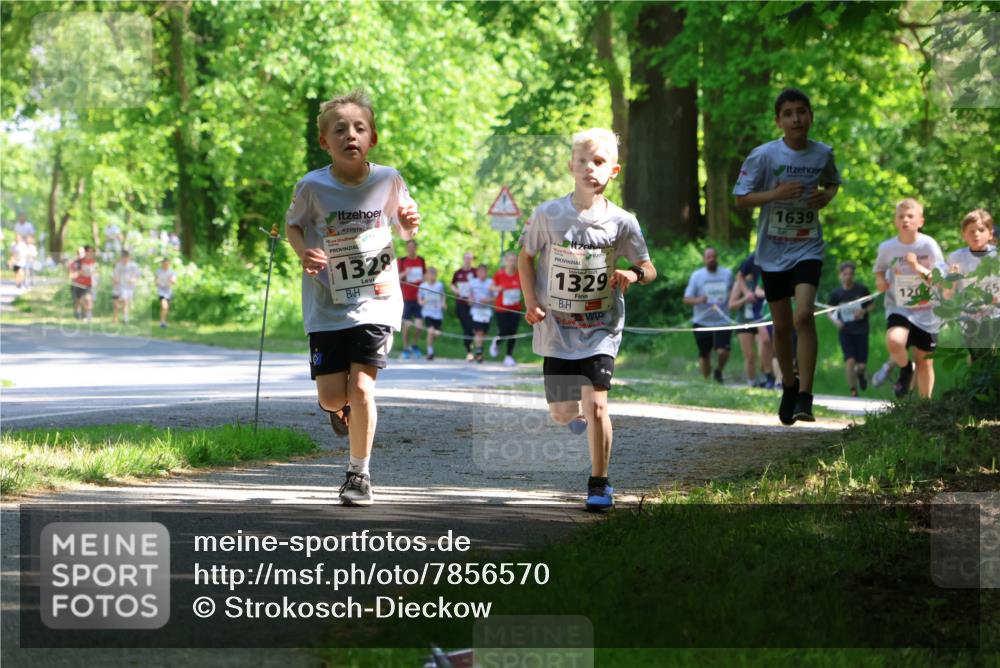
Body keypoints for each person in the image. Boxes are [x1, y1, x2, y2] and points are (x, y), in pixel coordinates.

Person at [285, 89, 420, 506]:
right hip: (327, 305)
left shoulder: (388, 179)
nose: (351, 135)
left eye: (359, 128)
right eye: (340, 129)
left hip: (376, 300)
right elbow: (293, 225)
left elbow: (406, 225)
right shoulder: (312, 186)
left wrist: (410, 223)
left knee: (362, 387)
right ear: (325, 141)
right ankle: (340, 411)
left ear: (372, 138)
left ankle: (358, 474)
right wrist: (303, 251)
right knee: (332, 396)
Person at [519, 128, 656, 511]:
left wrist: (633, 274)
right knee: (563, 412)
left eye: (598, 162)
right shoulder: (549, 214)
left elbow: (648, 267)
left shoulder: (623, 221)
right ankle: (572, 413)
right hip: (558, 330)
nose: (589, 168)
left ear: (613, 170)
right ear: (570, 166)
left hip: (600, 328)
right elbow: (525, 258)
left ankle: (599, 482)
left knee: (598, 405)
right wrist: (532, 302)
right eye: (583, 161)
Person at [733, 87, 841, 424]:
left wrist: (827, 196)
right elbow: (741, 197)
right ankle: (789, 385)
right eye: (789, 113)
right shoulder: (764, 156)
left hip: (808, 246)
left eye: (802, 111)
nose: (797, 118)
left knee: (804, 316)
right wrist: (775, 194)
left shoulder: (822, 154)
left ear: (810, 116)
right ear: (779, 120)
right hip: (772, 250)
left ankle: (806, 396)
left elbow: (833, 182)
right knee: (781, 325)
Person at [873, 198, 947, 399]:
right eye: (901, 217)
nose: (905, 220)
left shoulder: (929, 245)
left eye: (910, 216)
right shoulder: (887, 247)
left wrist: (917, 267)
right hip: (899, 306)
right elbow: (879, 270)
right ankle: (906, 369)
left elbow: (940, 279)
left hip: (927, 309)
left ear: (920, 221)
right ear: (895, 222)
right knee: (894, 341)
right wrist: (880, 281)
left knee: (924, 360)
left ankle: (925, 405)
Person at [945, 208, 997, 361]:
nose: (976, 234)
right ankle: (976, 382)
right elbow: (947, 296)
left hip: (996, 313)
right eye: (971, 231)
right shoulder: (956, 258)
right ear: (964, 235)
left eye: (981, 230)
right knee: (977, 356)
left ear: (990, 233)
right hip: (970, 317)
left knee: (992, 352)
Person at [683, 247, 733, 384]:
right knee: (705, 355)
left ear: (717, 258)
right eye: (708, 257)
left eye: (713, 257)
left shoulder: (727, 274)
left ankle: (718, 371)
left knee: (723, 351)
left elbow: (734, 292)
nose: (711, 259)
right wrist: (699, 300)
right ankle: (707, 381)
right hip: (702, 321)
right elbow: (687, 299)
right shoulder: (697, 276)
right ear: (704, 259)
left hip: (722, 320)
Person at [827, 261, 874, 397]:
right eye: (845, 274)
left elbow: (872, 305)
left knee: (861, 365)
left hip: (861, 330)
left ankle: (860, 375)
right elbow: (830, 311)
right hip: (845, 331)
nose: (848, 277)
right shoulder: (836, 294)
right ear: (840, 275)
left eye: (851, 274)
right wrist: (836, 321)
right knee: (849, 361)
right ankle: (853, 390)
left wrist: (863, 311)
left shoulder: (862, 290)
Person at [729, 252, 775, 388]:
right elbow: (731, 305)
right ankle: (752, 382)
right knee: (750, 357)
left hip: (760, 317)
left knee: (765, 348)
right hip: (744, 322)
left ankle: (766, 378)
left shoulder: (761, 281)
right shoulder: (740, 284)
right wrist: (746, 297)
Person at [489, 251, 522, 367]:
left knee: (513, 332)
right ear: (505, 261)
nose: (512, 263)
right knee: (504, 331)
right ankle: (496, 342)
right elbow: (491, 287)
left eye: (514, 260)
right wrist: (498, 288)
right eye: (510, 260)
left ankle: (508, 356)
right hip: (501, 308)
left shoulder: (520, 274)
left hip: (515, 308)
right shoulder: (499, 274)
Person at [397, 239, 426, 359]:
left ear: (416, 248)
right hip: (406, 298)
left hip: (419, 297)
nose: (411, 249)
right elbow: (396, 277)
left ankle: (414, 344)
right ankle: (405, 348)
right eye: (409, 247)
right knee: (407, 325)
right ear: (406, 248)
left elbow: (425, 276)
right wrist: (405, 273)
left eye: (413, 247)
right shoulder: (402, 260)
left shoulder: (421, 260)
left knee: (419, 325)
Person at [451, 251, 477, 361]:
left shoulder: (475, 272)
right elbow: (452, 284)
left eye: (470, 258)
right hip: (461, 304)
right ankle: (469, 351)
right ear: (463, 259)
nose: (468, 260)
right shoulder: (458, 273)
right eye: (466, 258)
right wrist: (456, 290)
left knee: (473, 328)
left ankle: (475, 349)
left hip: (473, 304)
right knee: (467, 327)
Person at [418, 267, 445, 361]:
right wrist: (422, 302)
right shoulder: (423, 286)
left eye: (433, 275)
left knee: (436, 333)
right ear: (427, 275)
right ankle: (430, 352)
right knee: (430, 331)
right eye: (430, 274)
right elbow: (419, 299)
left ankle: (430, 346)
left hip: (437, 313)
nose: (431, 277)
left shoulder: (439, 285)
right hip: (427, 312)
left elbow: (443, 295)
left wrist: (443, 303)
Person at [467, 263, 493, 363]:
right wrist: (471, 300)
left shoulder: (491, 282)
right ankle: (479, 354)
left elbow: (495, 297)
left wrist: (488, 300)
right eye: (480, 271)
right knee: (479, 332)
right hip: (476, 311)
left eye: (484, 271)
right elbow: (469, 297)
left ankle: (479, 350)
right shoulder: (472, 283)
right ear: (477, 273)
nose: (482, 273)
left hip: (486, 311)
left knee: (483, 334)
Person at [69, 246, 98, 321]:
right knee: (78, 301)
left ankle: (88, 315)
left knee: (87, 299)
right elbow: (72, 274)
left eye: (92, 252)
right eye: (88, 251)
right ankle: (78, 314)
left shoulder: (94, 262)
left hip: (88, 285)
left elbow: (96, 273)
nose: (90, 253)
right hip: (78, 285)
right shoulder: (78, 262)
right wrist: (79, 273)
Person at [112, 250, 141, 325]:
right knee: (121, 302)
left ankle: (125, 318)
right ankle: (121, 318)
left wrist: (133, 279)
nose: (124, 259)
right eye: (123, 257)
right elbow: (115, 275)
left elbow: (138, 276)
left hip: (129, 288)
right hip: (120, 287)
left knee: (125, 302)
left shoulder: (133, 265)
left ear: (129, 257)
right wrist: (115, 280)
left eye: (125, 257)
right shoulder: (119, 265)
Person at [155, 257, 177, 328]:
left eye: (167, 263)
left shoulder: (171, 272)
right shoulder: (159, 271)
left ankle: (163, 321)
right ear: (162, 264)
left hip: (168, 291)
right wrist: (158, 282)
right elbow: (156, 281)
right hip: (161, 291)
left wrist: (172, 280)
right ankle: (162, 322)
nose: (165, 265)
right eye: (164, 263)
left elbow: (174, 280)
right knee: (164, 306)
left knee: (166, 308)